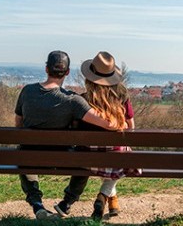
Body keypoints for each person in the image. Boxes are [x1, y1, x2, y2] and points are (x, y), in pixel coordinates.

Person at [14, 50, 118, 220]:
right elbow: (107, 124)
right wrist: (122, 122)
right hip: (63, 159)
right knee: (84, 158)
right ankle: (68, 201)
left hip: (30, 157)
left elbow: (18, 124)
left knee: (23, 152)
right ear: (68, 72)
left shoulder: (27, 91)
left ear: (46, 69)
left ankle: (37, 204)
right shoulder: (73, 100)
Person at [78, 51, 138, 220]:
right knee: (122, 155)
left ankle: (111, 201)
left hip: (88, 159)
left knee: (114, 159)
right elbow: (131, 128)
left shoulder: (83, 100)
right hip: (116, 158)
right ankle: (104, 196)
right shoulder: (122, 96)